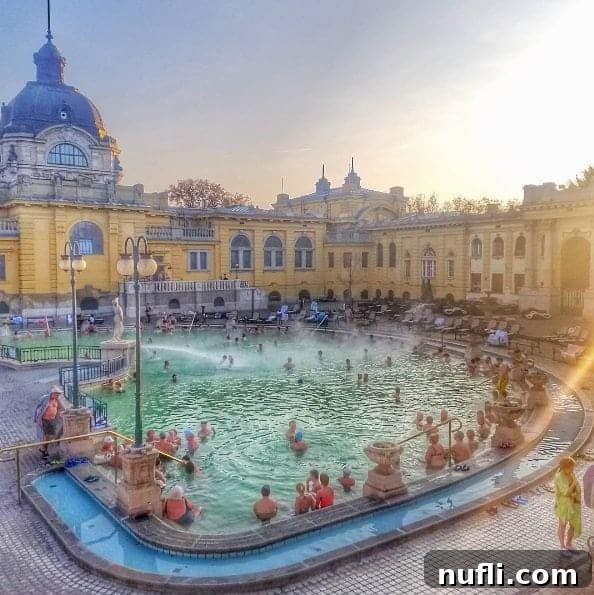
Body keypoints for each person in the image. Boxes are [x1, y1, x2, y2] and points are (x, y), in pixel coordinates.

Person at [554, 456, 581, 555]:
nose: (572, 470)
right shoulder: (559, 477)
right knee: (563, 525)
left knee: (573, 524)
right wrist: (574, 482)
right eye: (571, 468)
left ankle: (569, 543)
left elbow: (577, 489)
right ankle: (562, 547)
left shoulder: (570, 474)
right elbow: (566, 492)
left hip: (573, 503)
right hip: (563, 505)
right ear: (565, 467)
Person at [34, 386, 65, 458]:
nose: (58, 395)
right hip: (45, 420)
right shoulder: (45, 399)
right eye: (57, 394)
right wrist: (36, 418)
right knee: (48, 435)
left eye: (59, 394)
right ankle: (44, 449)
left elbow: (62, 408)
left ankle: (43, 448)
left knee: (50, 436)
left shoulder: (57, 400)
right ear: (53, 393)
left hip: (52, 420)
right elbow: (38, 408)